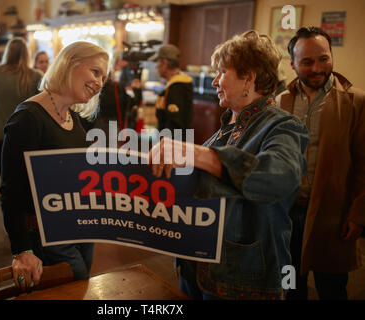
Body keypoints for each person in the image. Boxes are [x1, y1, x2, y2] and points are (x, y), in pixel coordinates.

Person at [148, 30, 308, 300]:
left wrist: (195, 154)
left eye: (222, 72)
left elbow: (279, 177)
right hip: (199, 269)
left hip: (242, 280)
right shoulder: (223, 130)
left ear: (249, 77)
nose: (214, 81)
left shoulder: (283, 125)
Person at [0, 41, 108, 290]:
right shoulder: (28, 118)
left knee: (79, 288)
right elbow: (11, 191)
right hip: (45, 234)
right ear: (69, 64)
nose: (100, 83)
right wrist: (21, 250)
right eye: (95, 72)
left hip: (79, 226)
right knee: (75, 287)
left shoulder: (73, 116)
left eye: (103, 77)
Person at [276, 27, 365, 300]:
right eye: (307, 62)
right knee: (291, 286)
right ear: (292, 64)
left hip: (333, 217)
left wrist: (357, 214)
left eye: (324, 59)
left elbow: (364, 164)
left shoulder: (355, 101)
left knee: (333, 289)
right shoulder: (282, 102)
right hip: (287, 216)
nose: (317, 68)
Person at [0, 38, 43, 199]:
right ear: (27, 54)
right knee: (24, 172)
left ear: (7, 52)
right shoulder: (35, 76)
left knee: (3, 168)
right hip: (26, 133)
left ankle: (3, 191)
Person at [92, 49, 142, 140]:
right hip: (100, 123)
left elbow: (131, 102)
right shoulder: (104, 83)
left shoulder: (118, 84)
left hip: (114, 123)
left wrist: (136, 90)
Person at [148, 44, 193, 133]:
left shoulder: (177, 87)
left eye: (157, 62)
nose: (156, 67)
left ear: (165, 63)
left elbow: (175, 124)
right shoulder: (177, 84)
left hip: (173, 143)